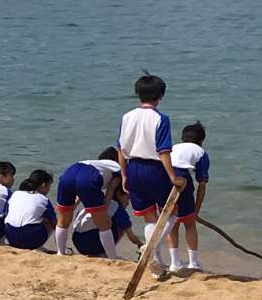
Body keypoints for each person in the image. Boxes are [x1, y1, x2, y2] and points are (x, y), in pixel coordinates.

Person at [117, 74, 186, 277]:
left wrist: (124, 174)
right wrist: (172, 176)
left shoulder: (127, 117)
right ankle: (150, 248)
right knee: (171, 213)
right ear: (160, 96)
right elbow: (163, 151)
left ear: (138, 94)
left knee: (150, 217)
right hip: (154, 169)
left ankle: (157, 266)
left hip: (133, 168)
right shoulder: (161, 119)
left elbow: (120, 149)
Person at [55, 147, 121, 259]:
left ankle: (60, 252)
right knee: (104, 225)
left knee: (63, 220)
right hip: (88, 178)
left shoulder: (95, 163)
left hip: (69, 173)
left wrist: (73, 206)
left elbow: (80, 188)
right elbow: (111, 189)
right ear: (116, 159)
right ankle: (112, 257)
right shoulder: (116, 167)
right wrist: (104, 211)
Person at [167, 121, 210, 272]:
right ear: (201, 141)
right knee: (189, 223)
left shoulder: (174, 147)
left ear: (183, 138)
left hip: (164, 177)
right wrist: (195, 211)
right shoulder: (201, 153)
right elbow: (202, 184)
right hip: (182, 178)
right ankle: (193, 263)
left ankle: (174, 263)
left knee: (171, 222)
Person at [72, 185, 143, 257]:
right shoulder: (116, 207)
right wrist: (140, 244)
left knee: (107, 224)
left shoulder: (100, 201)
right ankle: (107, 253)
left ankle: (98, 252)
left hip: (76, 240)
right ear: (119, 194)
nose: (128, 203)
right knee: (123, 227)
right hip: (90, 243)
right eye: (127, 198)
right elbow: (131, 236)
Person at [5, 169, 56, 250]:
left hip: (11, 237)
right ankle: (39, 247)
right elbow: (54, 223)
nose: (49, 189)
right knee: (48, 220)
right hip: (30, 240)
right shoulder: (43, 199)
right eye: (49, 186)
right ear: (43, 185)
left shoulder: (15, 194)